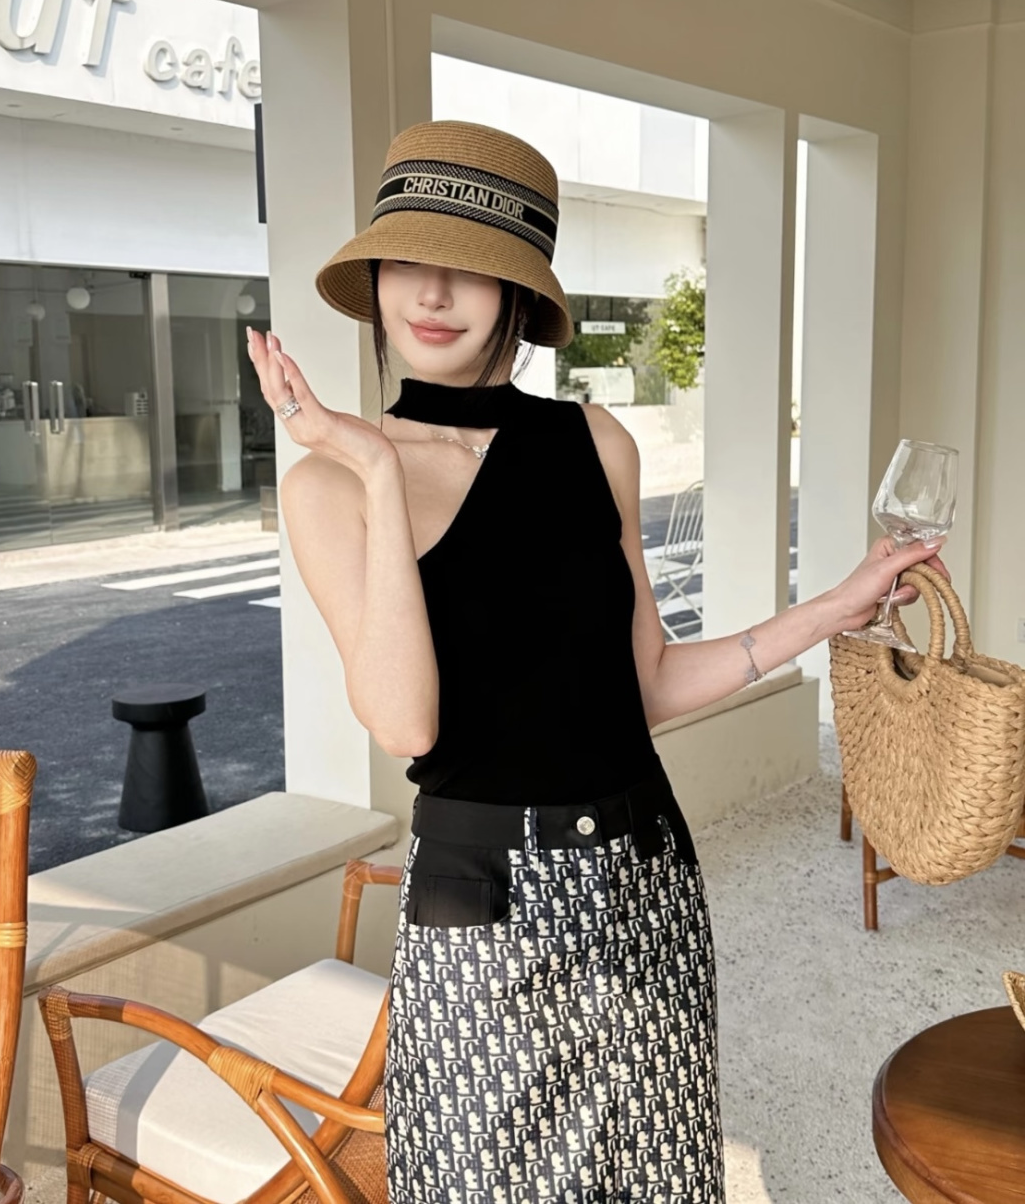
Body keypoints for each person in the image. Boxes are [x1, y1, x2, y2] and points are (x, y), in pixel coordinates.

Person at [247, 120, 949, 1203]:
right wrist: (379, 468)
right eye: (406, 260)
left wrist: (836, 606)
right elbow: (406, 725)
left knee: (659, 1178)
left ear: (519, 294)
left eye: (470, 265)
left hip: (644, 876)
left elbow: (648, 683)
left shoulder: (595, 442)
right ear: (374, 280)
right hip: (486, 908)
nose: (431, 291)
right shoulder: (332, 483)